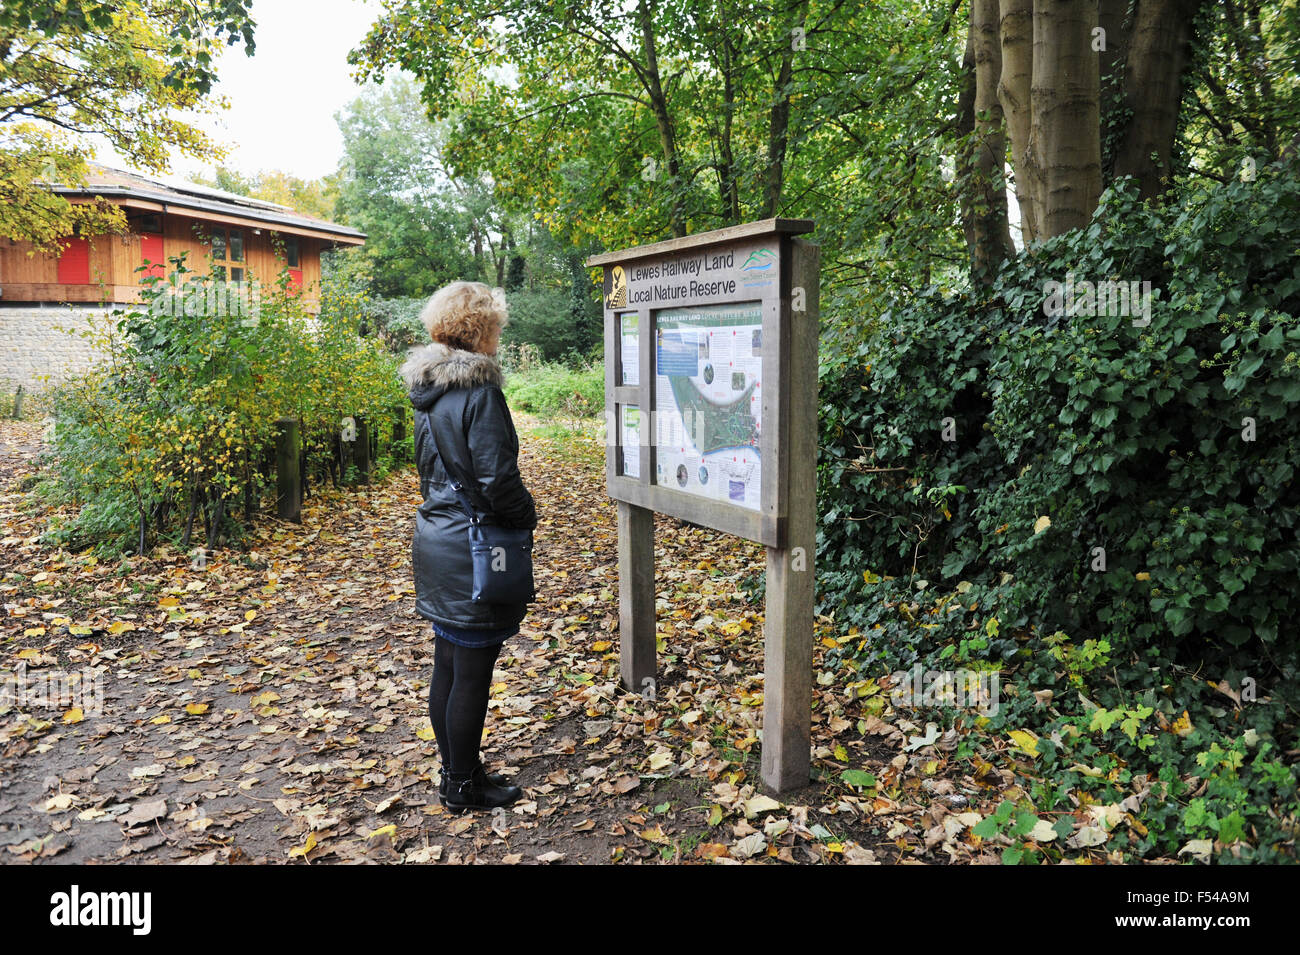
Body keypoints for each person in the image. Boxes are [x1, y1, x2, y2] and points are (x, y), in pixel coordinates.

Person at [400, 281, 536, 812]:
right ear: (482, 328)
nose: (500, 333)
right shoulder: (480, 392)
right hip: (474, 546)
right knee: (472, 669)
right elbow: (498, 479)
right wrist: (526, 516)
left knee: (450, 662)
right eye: (497, 324)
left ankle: (459, 770)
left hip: (436, 535)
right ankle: (462, 784)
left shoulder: (427, 390)